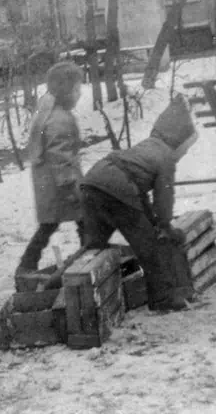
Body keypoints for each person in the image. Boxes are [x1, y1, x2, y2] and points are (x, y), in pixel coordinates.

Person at [79, 94, 198, 312]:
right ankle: (162, 299)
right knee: (149, 247)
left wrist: (151, 219)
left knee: (93, 249)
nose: (185, 153)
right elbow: (164, 196)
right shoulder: (167, 157)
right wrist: (164, 225)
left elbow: (137, 188)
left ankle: (65, 293)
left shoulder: (147, 146)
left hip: (91, 183)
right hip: (116, 189)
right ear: (178, 141)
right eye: (186, 148)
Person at [15, 62, 86, 285]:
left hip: (48, 184)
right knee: (84, 219)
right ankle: (91, 256)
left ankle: (27, 263)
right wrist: (69, 187)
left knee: (50, 224)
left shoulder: (49, 112)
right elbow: (60, 157)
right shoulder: (60, 119)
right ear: (65, 91)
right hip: (59, 184)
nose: (79, 93)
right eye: (76, 89)